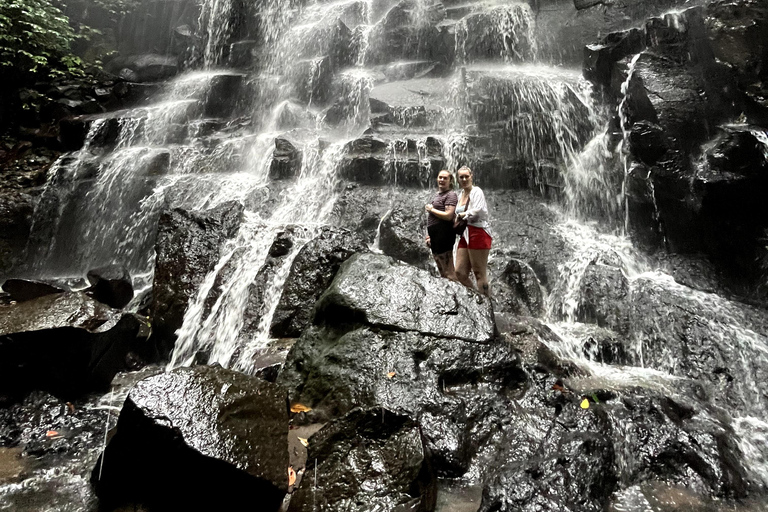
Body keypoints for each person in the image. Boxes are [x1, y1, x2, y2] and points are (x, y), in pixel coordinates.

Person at [455, 166, 492, 296]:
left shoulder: (477, 191)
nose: (464, 179)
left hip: (478, 231)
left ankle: (487, 304)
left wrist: (463, 214)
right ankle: (478, 299)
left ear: (472, 176)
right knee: (459, 272)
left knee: (479, 272)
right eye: (461, 177)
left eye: (466, 176)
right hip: (466, 233)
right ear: (458, 179)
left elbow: (478, 210)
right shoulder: (460, 194)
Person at [425, 170, 458, 280]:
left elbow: (449, 215)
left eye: (445, 178)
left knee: (448, 270)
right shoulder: (438, 195)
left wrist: (432, 209)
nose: (442, 180)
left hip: (444, 234)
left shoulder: (451, 195)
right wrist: (432, 237)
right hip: (437, 236)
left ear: (450, 181)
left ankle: (457, 293)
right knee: (441, 268)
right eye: (440, 177)